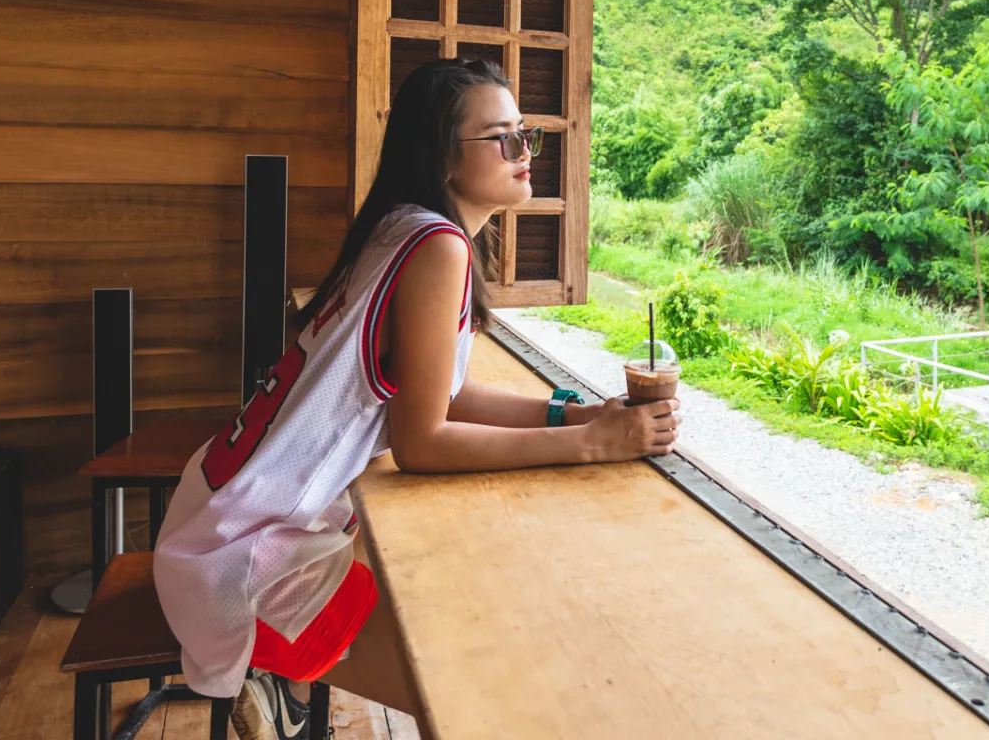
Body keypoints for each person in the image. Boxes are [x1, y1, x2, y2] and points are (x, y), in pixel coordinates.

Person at [152, 58, 680, 740]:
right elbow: (423, 442)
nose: (525, 154)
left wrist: (576, 413)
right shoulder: (438, 247)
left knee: (465, 627)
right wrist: (591, 444)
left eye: (527, 135)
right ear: (444, 157)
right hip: (239, 567)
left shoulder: (403, 225)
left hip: (215, 520)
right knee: (478, 693)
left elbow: (444, 392)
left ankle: (279, 681)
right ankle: (269, 668)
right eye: (503, 139)